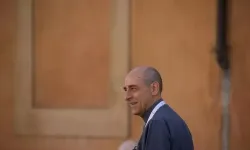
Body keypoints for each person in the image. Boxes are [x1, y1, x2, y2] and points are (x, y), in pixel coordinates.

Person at [123, 66, 194, 150]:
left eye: (133, 89)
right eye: (126, 89)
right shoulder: (165, 118)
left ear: (154, 88)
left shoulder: (157, 122)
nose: (127, 97)